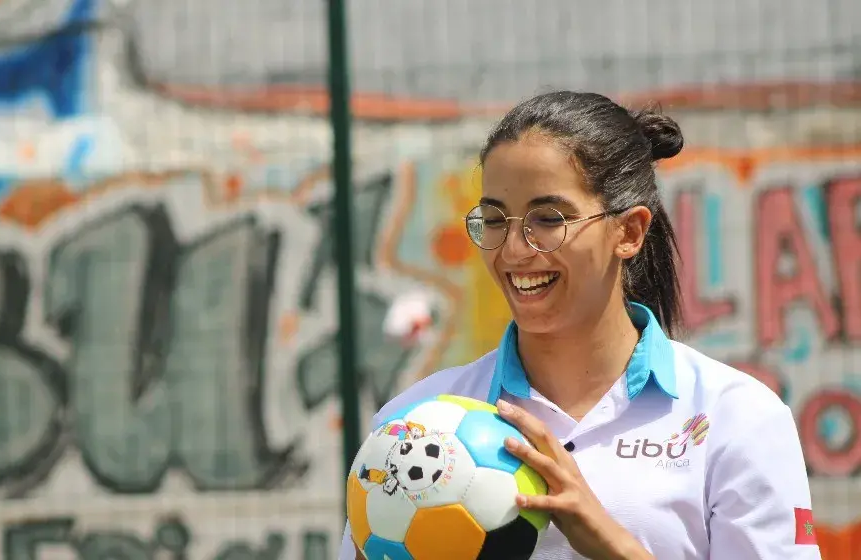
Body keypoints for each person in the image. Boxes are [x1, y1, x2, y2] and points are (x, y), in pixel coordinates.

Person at [339, 91, 820, 559]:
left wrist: (611, 543)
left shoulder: (736, 418)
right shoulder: (413, 425)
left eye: (548, 218)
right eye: (494, 219)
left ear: (629, 231)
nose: (514, 250)